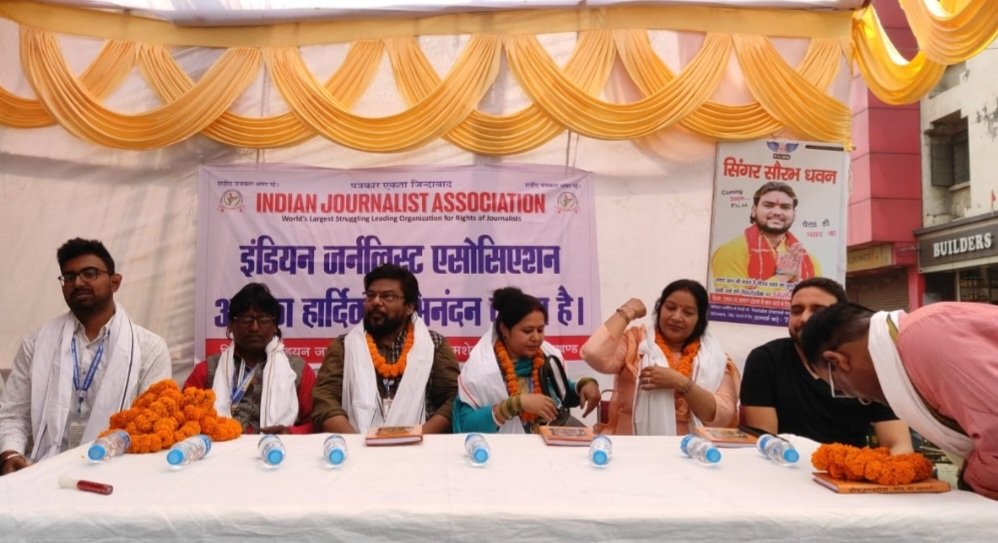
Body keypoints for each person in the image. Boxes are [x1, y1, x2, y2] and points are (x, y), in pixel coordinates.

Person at [0, 238, 171, 474]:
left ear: (115, 282)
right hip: (42, 469)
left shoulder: (149, 348)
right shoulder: (35, 344)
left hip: (117, 472)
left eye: (90, 274)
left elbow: (152, 422)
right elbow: (14, 414)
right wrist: (11, 453)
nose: (78, 282)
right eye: (69, 277)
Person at [800, 301, 998, 500]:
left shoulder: (925, 337)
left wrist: (971, 479)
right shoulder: (916, 340)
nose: (861, 400)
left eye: (840, 388)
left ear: (837, 361)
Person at [740, 278, 912, 453]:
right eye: (796, 311)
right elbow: (766, 442)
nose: (804, 318)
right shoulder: (765, 360)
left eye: (817, 310)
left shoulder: (870, 363)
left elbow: (899, 444)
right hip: (787, 463)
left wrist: (890, 467)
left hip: (853, 467)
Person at [311, 264, 459, 434]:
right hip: (355, 444)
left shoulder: (434, 345)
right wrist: (357, 443)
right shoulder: (344, 346)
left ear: (409, 307)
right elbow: (325, 399)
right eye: (370, 295)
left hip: (422, 445)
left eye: (387, 296)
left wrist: (416, 437)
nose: (375, 302)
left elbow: (453, 400)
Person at [581, 279, 739, 435]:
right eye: (670, 307)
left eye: (688, 313)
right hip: (630, 447)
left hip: (691, 449)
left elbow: (722, 416)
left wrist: (681, 383)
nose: (676, 317)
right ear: (659, 308)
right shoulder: (635, 343)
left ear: (699, 320)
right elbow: (593, 353)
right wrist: (626, 312)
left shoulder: (714, 359)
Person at [454, 287, 600, 433]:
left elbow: (563, 393)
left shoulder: (546, 360)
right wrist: (513, 405)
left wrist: (584, 386)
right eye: (527, 331)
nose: (536, 337)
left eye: (540, 330)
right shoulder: (483, 371)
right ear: (504, 329)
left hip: (546, 444)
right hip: (500, 447)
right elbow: (467, 425)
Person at [184, 283, 315, 434]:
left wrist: (289, 433)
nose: (254, 327)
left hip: (279, 448)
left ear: (275, 326)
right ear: (231, 325)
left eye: (263, 319)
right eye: (246, 319)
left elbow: (317, 423)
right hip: (220, 447)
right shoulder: (207, 370)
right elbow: (183, 418)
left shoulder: (298, 371)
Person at [711, 181, 821, 286]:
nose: (777, 212)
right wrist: (781, 278)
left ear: (794, 214)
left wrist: (796, 283)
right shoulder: (731, 251)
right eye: (768, 205)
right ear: (754, 211)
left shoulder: (809, 260)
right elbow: (731, 297)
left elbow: (816, 297)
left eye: (785, 207)